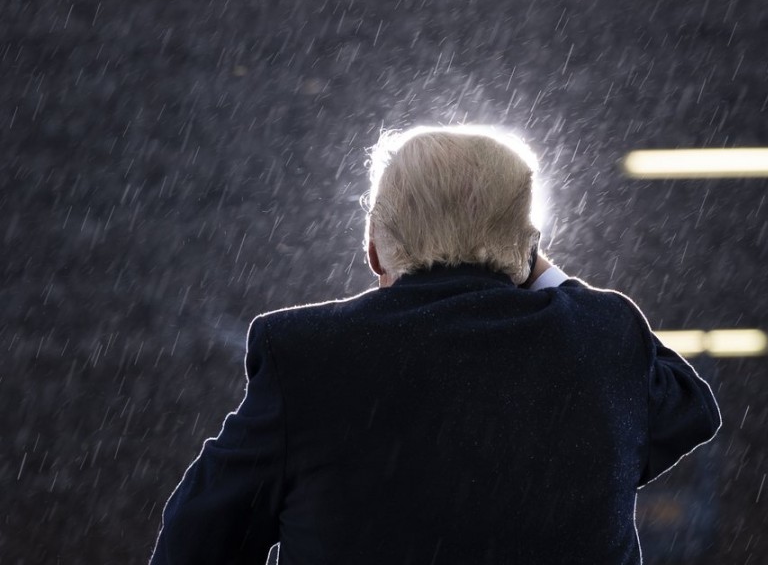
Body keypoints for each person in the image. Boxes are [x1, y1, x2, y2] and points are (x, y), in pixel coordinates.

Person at [150, 125, 721, 564]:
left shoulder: (307, 356)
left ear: (374, 249)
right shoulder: (601, 334)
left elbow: (195, 541)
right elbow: (690, 411)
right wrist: (539, 267)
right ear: (524, 248)